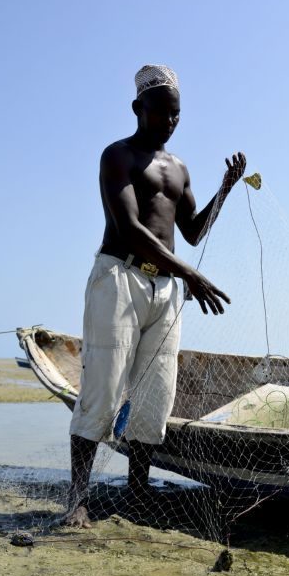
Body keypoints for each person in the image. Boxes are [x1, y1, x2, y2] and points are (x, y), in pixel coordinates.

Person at [61, 64, 247, 528]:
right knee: (102, 389)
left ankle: (137, 494)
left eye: (176, 114)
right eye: (161, 112)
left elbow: (193, 231)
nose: (169, 121)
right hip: (119, 278)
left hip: (164, 289)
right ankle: (77, 501)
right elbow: (130, 228)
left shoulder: (179, 168)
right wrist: (191, 275)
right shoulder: (117, 156)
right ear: (138, 109)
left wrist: (224, 190)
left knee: (153, 395)